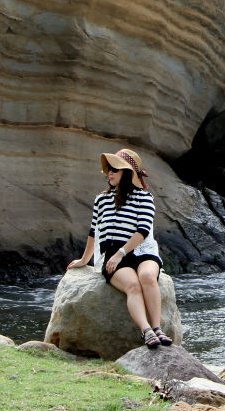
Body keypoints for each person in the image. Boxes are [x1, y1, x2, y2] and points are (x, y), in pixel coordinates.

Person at [67, 149, 172, 348]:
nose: (110, 173)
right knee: (132, 286)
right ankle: (146, 330)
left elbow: (142, 231)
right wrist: (84, 261)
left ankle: (158, 328)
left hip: (142, 251)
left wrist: (121, 253)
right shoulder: (101, 200)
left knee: (148, 277)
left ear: (127, 173)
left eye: (115, 169)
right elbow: (94, 232)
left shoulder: (145, 198)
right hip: (113, 254)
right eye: (109, 169)